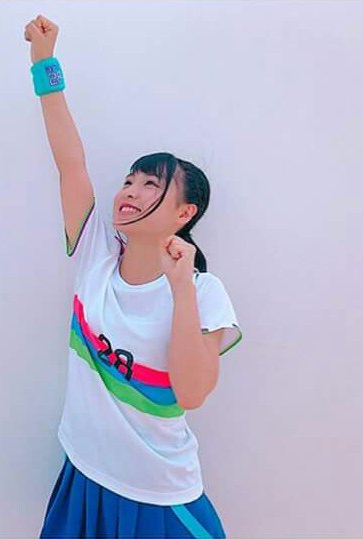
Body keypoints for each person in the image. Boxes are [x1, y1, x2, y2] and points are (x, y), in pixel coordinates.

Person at [25, 14, 243, 539]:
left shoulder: (204, 291)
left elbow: (192, 392)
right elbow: (70, 163)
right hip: (84, 474)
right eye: (130, 180)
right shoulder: (95, 254)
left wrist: (181, 288)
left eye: (151, 185)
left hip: (158, 496)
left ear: (185, 213)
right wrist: (44, 63)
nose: (130, 191)